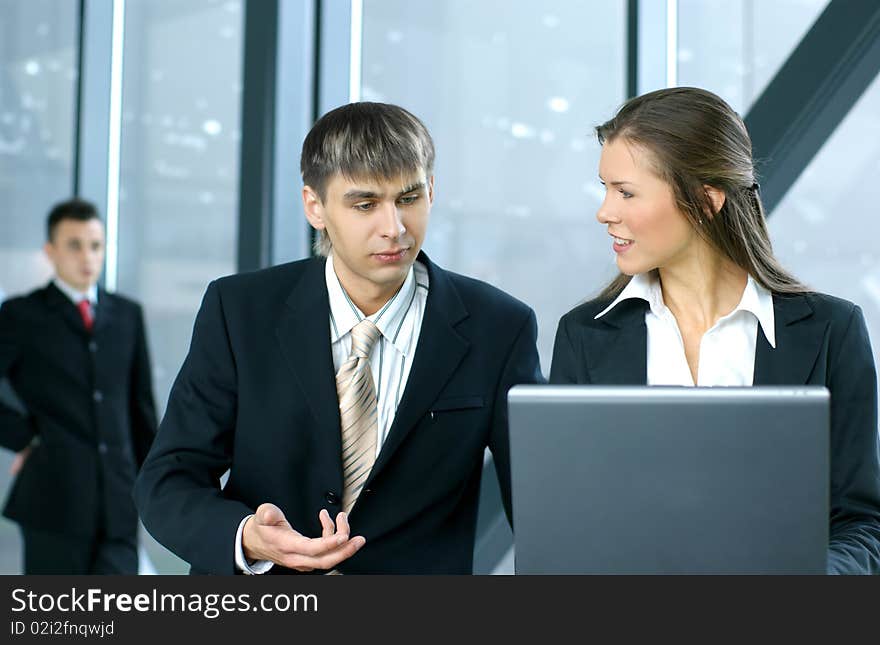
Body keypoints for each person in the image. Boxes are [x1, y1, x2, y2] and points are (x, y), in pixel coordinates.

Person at [134, 102, 542, 574]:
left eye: (408, 198)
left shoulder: (499, 327)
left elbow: (541, 510)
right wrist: (247, 536)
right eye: (365, 204)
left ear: (431, 191)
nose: (394, 228)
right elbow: (167, 481)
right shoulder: (240, 311)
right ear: (315, 206)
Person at [549, 87, 880, 574]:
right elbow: (562, 529)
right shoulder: (584, 336)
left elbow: (863, 524)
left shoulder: (832, 331)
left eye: (626, 192)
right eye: (605, 188)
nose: (605, 211)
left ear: (707, 200)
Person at [0, 198, 157, 574]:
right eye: (74, 245)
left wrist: (155, 481)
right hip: (53, 501)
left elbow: (142, 409)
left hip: (119, 503)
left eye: (95, 245)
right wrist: (25, 438)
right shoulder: (22, 315)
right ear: (50, 251)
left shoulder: (127, 315)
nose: (87, 256)